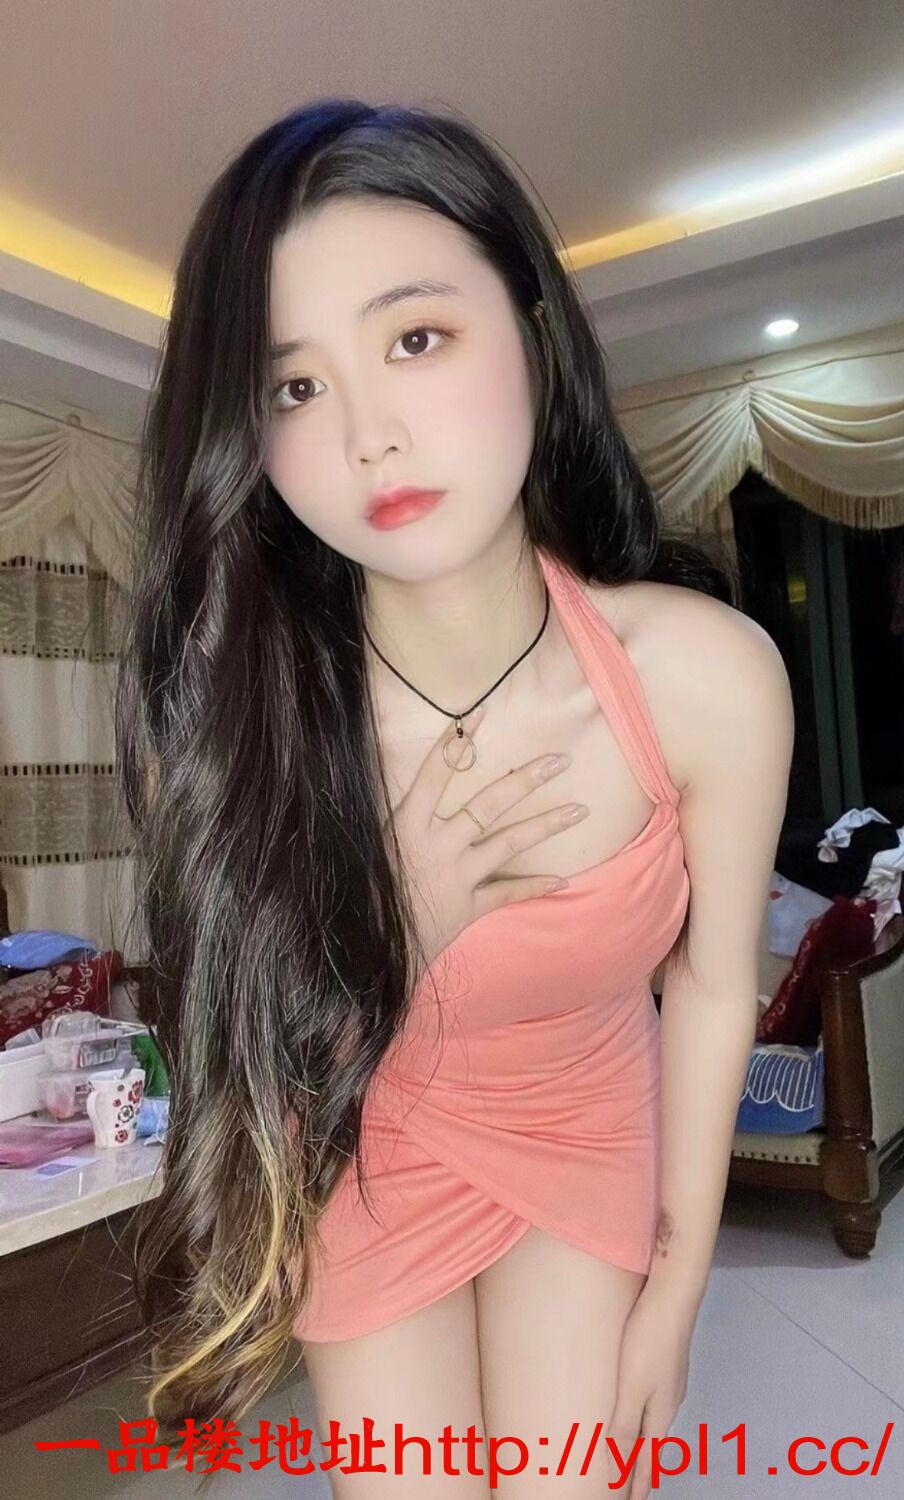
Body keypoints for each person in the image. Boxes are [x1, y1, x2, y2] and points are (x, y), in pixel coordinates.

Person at [116, 98, 794, 1496]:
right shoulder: (243, 722)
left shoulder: (704, 678)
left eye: (416, 339)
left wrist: (678, 1281)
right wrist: (402, 912)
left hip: (588, 1126)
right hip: (367, 1152)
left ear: (532, 331)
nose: (369, 435)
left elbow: (714, 983)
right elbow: (243, 1043)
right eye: (294, 388)